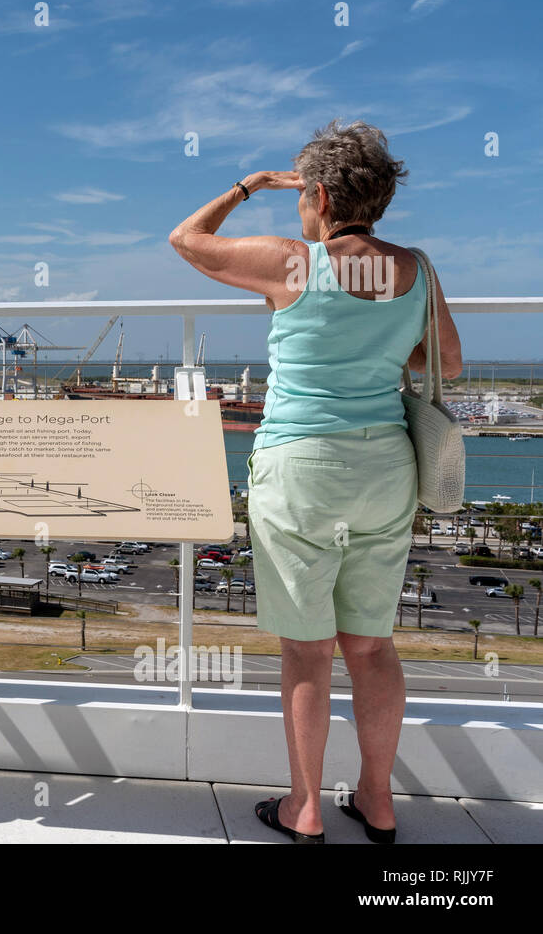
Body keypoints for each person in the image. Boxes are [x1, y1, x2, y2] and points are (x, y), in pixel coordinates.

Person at [168, 120, 462, 843]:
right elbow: (445, 364)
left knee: (308, 649)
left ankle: (304, 810)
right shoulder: (416, 268)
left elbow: (186, 239)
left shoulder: (290, 264)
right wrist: (382, 344)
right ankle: (378, 801)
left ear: (320, 195)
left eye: (302, 194)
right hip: (385, 467)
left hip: (303, 468)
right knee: (371, 646)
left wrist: (247, 186)